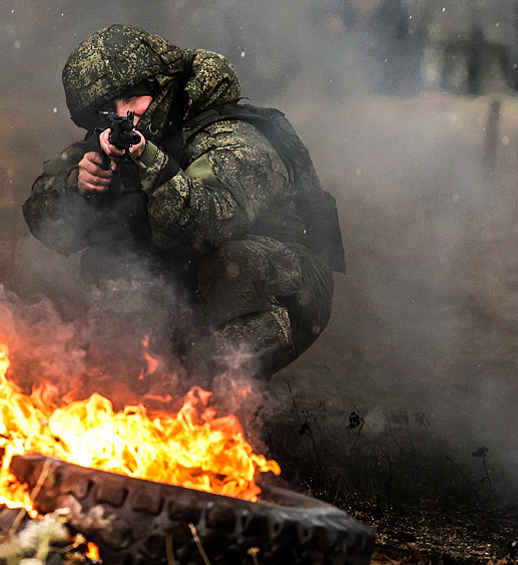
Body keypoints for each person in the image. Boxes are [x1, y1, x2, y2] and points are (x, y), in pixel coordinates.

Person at [23, 25, 344, 382]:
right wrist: (79, 187)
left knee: (233, 266)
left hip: (281, 285)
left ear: (162, 85)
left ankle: (227, 399)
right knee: (107, 265)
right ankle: (149, 387)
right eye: (107, 109)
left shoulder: (233, 136)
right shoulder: (110, 143)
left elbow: (203, 227)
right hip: (182, 282)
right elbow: (44, 222)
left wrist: (151, 163)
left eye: (131, 98)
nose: (124, 114)